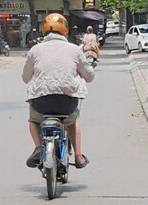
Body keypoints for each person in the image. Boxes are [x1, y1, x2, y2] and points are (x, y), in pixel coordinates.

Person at [22, 11, 95, 169]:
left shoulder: (35, 50)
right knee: (73, 121)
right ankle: (78, 156)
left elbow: (26, 77)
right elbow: (89, 76)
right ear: (65, 31)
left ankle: (37, 148)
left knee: (33, 121)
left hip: (40, 104)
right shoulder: (75, 50)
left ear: (44, 30)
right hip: (66, 104)